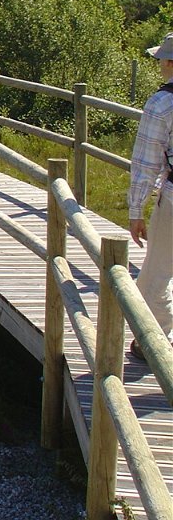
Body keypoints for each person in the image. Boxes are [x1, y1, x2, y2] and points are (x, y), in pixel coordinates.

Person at [128, 31, 173, 361]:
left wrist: (136, 210)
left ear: (169, 63)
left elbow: (145, 163)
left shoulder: (162, 104)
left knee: (153, 281)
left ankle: (157, 343)